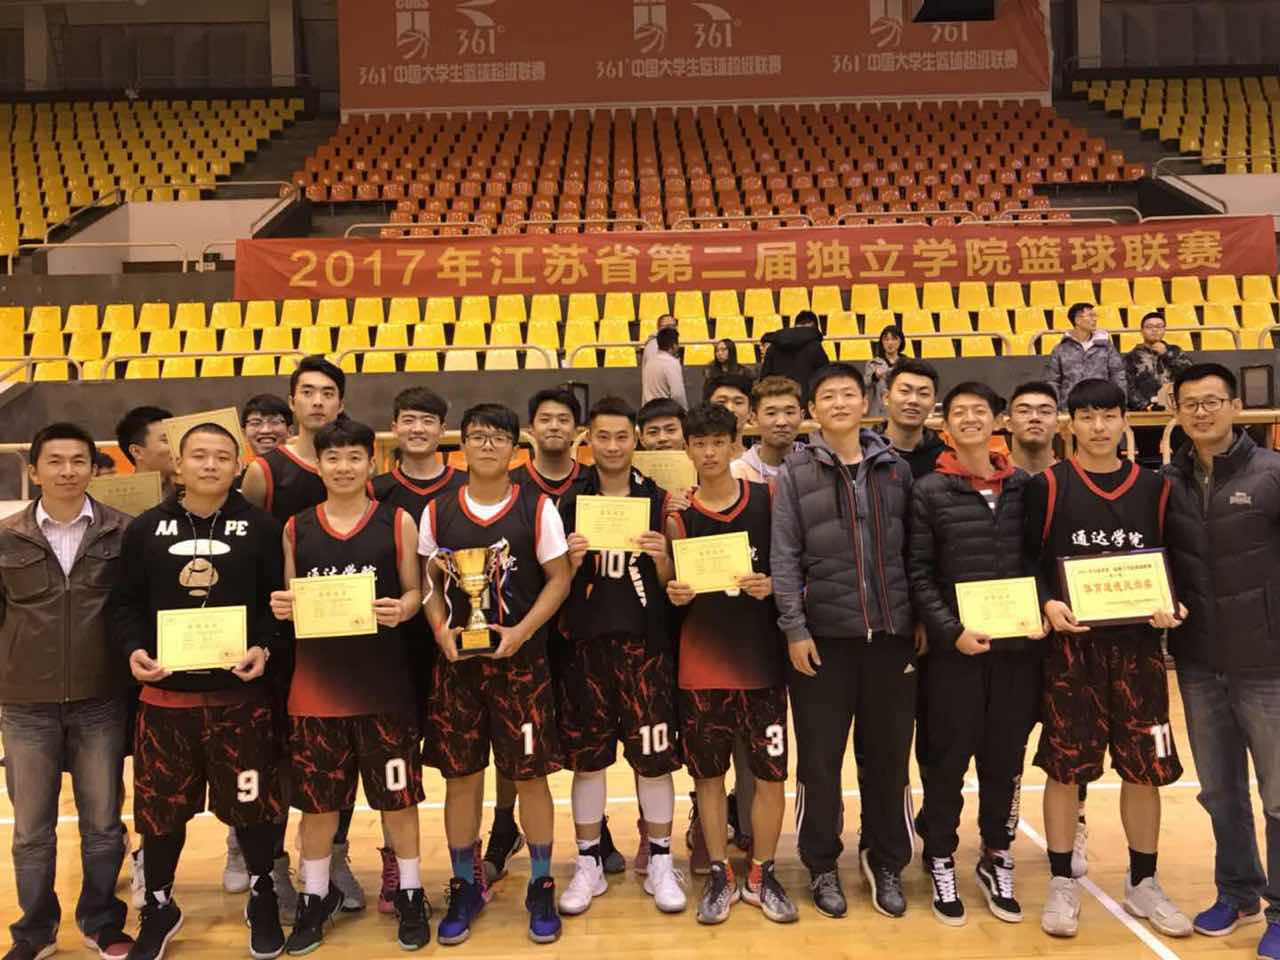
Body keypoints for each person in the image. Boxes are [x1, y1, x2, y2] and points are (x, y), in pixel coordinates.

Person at [109, 423, 287, 960]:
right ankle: (159, 904)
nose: (210, 465)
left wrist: (264, 648)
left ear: (238, 466)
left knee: (253, 807)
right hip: (167, 703)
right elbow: (125, 606)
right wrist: (133, 650)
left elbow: (278, 604)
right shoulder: (145, 528)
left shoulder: (262, 528)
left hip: (240, 701)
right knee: (161, 815)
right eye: (200, 456)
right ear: (179, 466)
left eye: (222, 457)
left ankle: (262, 895)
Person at [1024, 378, 1190, 940]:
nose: (1098, 426)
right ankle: (1061, 880)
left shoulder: (1156, 487)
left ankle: (1143, 881)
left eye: (1108, 415)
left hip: (1140, 652)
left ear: (1124, 421)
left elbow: (1173, 561)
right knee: (1065, 768)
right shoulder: (1048, 486)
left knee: (1145, 768)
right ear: (1071, 423)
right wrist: (1046, 601)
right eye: (1087, 416)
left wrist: (1173, 603)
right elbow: (1028, 562)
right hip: (1072, 651)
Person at [269, 419, 428, 955]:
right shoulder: (296, 527)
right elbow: (288, 599)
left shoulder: (397, 521)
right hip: (316, 690)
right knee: (317, 807)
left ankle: (410, 892)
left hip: (384, 687)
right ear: (319, 465)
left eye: (354, 457)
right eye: (333, 458)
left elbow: (416, 592)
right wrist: (283, 606)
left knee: (398, 800)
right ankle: (314, 897)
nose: (343, 467)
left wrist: (402, 608)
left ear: (371, 463)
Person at [420, 403, 573, 946]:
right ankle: (465, 884)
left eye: (499, 437)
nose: (488, 445)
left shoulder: (538, 507)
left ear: (515, 448)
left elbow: (559, 579)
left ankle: (541, 883)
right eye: (478, 436)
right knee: (461, 778)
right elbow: (430, 584)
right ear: (461, 445)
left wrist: (522, 632)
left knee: (531, 777)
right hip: (458, 669)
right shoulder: (437, 511)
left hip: (520, 667)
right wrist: (441, 631)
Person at [771, 363, 917, 920]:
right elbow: (784, 556)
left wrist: (916, 620)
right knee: (820, 762)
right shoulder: (795, 472)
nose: (838, 403)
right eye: (827, 396)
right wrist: (795, 628)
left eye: (847, 394)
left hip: (891, 641)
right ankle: (821, 863)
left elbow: (914, 553)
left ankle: (885, 860)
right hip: (822, 643)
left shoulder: (895, 469)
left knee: (888, 760)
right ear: (813, 410)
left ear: (865, 403)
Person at [908, 383, 1042, 927]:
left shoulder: (1024, 487)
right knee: (946, 760)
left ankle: (996, 854)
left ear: (998, 422)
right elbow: (919, 574)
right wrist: (952, 632)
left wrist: (1040, 612)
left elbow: (1038, 562)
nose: (969, 419)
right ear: (945, 427)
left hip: (1016, 653)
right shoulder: (929, 490)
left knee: (1004, 761)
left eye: (979, 411)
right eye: (959, 412)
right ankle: (940, 855)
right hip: (954, 654)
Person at [1, 423, 135, 960]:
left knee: (102, 824)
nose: (67, 471)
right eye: (54, 461)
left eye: (78, 461)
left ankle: (101, 920)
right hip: (25, 706)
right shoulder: (6, 537)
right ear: (34, 471)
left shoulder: (122, 532)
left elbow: (132, 611)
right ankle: (34, 931)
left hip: (101, 701)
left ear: (93, 469)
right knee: (31, 831)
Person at [1164, 363, 1280, 957]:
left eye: (1212, 401)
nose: (1202, 412)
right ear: (1177, 412)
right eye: (1191, 403)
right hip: (1199, 661)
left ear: (1235, 406)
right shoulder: (1168, 482)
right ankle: (1237, 892)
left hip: (1268, 663)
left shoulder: (1272, 474)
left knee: (1279, 793)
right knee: (1220, 791)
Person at [555, 397, 685, 917]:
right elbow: (554, 582)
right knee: (588, 763)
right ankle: (587, 862)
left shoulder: (658, 500)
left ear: (635, 440)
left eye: (621, 437)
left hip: (645, 649)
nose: (612, 446)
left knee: (654, 762)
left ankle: (661, 861)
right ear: (589, 440)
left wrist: (661, 558)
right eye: (603, 437)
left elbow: (674, 582)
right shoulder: (570, 502)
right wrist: (570, 561)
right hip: (585, 649)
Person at [667, 404, 796, 925]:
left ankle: (762, 872)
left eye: (718, 442)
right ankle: (720, 872)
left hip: (761, 664)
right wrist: (674, 593)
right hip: (701, 666)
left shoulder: (770, 498)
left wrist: (775, 586)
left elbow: (795, 567)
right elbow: (669, 586)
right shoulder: (678, 514)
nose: (709, 452)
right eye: (699, 444)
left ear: (735, 443)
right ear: (687, 450)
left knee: (769, 776)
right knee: (709, 777)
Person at [240, 356, 359, 915]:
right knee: (279, 754)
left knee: (341, 754)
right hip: (282, 637)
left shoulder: (353, 464)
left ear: (340, 402)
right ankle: (270, 865)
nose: (317, 401)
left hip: (344, 635)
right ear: (292, 402)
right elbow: (247, 550)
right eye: (307, 392)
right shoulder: (265, 471)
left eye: (327, 392)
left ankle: (335, 858)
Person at [369, 386, 466, 913]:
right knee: (396, 764)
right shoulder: (375, 490)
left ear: (442, 430)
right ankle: (395, 861)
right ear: (394, 427)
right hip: (394, 645)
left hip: (457, 641)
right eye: (408, 420)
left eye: (428, 421)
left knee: (461, 761)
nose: (418, 429)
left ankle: (465, 863)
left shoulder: (466, 487)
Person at [1004, 381, 1093, 876]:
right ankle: (1003, 826)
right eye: (1024, 409)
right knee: (1008, 738)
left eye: (1044, 410)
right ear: (1008, 421)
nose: (1034, 418)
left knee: (1072, 739)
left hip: (1072, 631)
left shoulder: (1076, 480)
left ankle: (1075, 824)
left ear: (1059, 422)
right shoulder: (993, 481)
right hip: (1010, 632)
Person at [877, 359, 946, 478]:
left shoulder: (946, 458)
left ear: (933, 404)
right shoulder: (865, 452)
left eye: (923, 394)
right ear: (886, 397)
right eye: (905, 391)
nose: (913, 400)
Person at [1045, 303, 1126, 403]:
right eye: (1091, 316)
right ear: (1077, 320)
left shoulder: (1106, 347)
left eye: (1095, 316)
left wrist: (1120, 403)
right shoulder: (1061, 349)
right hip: (1070, 406)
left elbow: (1118, 376)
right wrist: (1054, 405)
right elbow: (1052, 381)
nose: (1095, 319)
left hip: (1101, 404)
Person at [733, 376, 806, 483]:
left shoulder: (817, 469)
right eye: (771, 413)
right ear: (754, 418)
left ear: (802, 416)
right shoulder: (736, 473)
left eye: (789, 413)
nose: (781, 422)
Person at [1126, 311, 1191, 412]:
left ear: (1164, 330)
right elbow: (1127, 386)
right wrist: (1145, 406)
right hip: (1144, 411)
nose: (1155, 330)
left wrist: (1166, 354)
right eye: (1149, 327)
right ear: (1141, 331)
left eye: (1159, 326)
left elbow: (1189, 374)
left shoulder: (1175, 351)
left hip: (1174, 406)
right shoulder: (1132, 356)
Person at [759, 310, 828, 396]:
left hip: (779, 400)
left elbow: (763, 380)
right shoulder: (815, 347)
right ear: (815, 329)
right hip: (807, 400)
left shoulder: (773, 346)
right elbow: (825, 378)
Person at [115, 406, 176, 496]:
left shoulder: (188, 496)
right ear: (137, 452)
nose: (177, 446)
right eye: (166, 440)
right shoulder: (118, 500)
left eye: (176, 438)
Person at [1006, 382, 1060, 477]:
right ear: (1009, 424)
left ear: (1057, 425)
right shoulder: (989, 477)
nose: (1035, 417)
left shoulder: (1072, 478)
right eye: (1024, 411)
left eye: (1045, 412)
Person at [704, 373, 754, 461]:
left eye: (738, 402)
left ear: (750, 412)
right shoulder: (690, 460)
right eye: (721, 402)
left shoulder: (758, 462)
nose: (730, 409)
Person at [641, 327, 688, 409]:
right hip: (665, 411)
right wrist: (685, 410)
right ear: (674, 346)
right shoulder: (672, 362)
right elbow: (677, 394)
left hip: (649, 410)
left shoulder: (650, 362)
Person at [866, 324, 906, 416]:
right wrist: (874, 376)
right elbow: (865, 384)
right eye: (886, 339)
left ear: (900, 341)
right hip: (879, 412)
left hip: (901, 410)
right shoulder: (873, 363)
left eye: (894, 339)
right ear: (882, 342)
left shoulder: (907, 363)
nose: (890, 343)